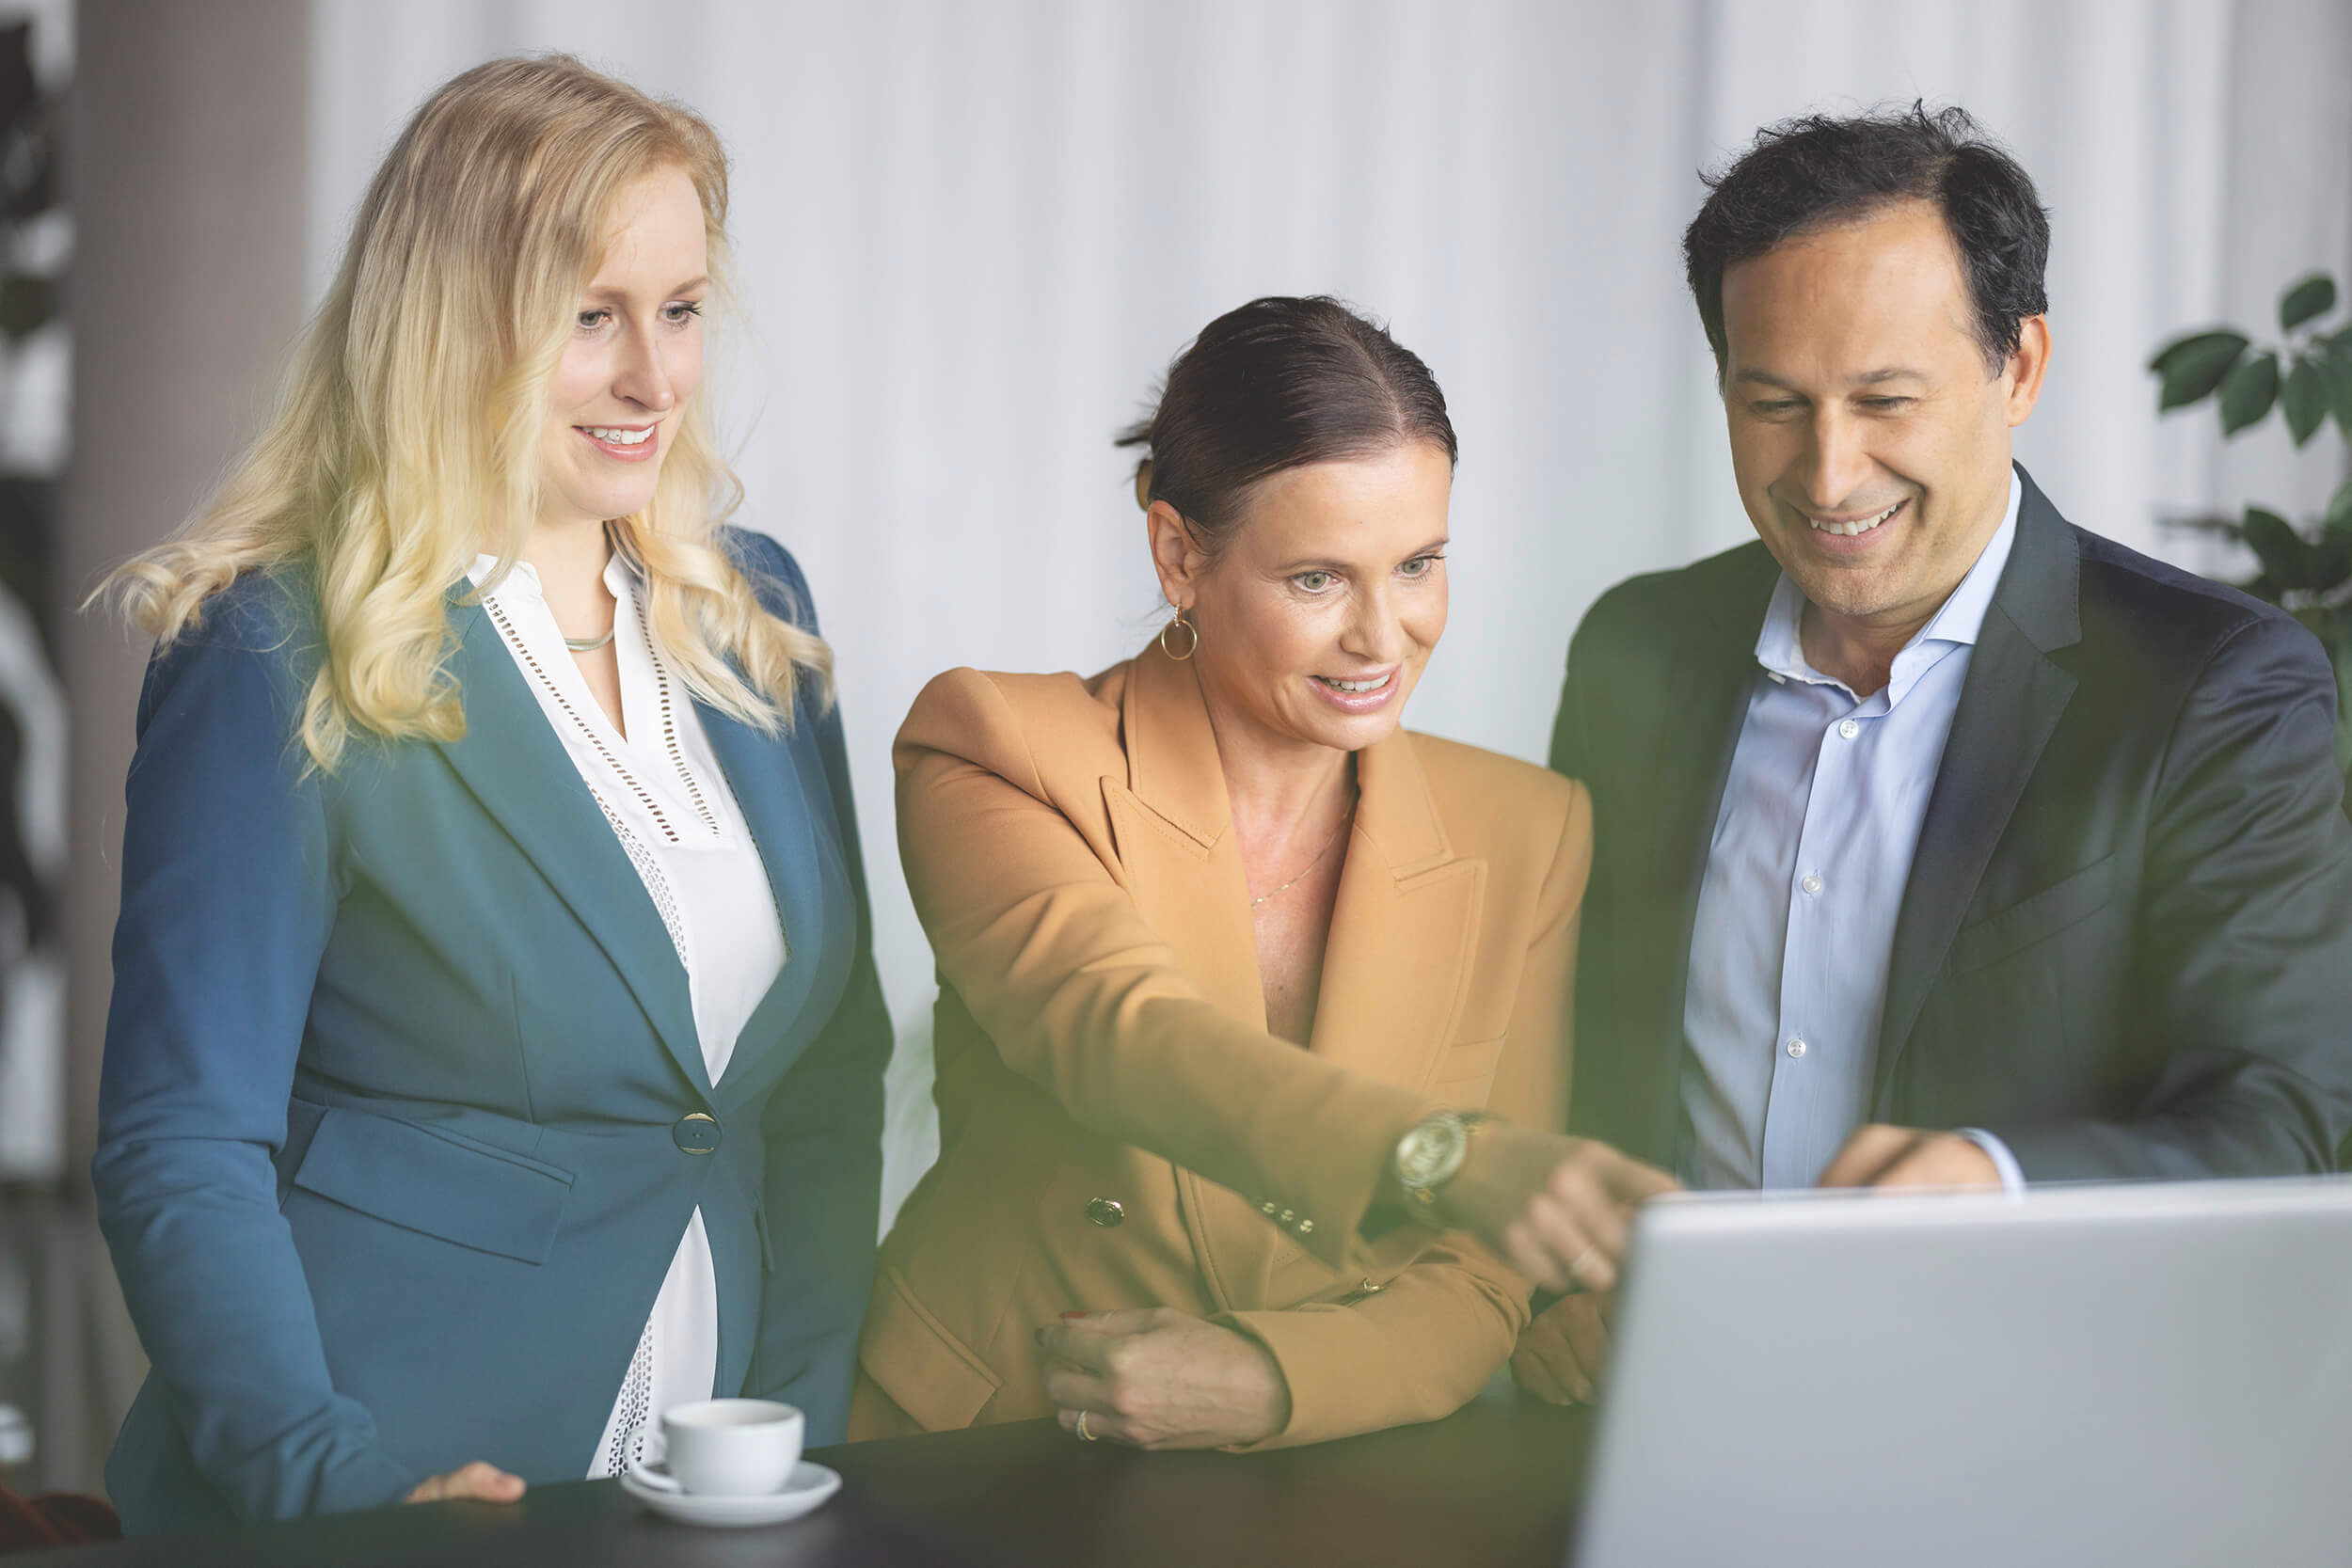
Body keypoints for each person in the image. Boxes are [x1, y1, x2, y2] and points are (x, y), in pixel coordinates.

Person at [88, 56, 890, 1530]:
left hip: (722, 1470)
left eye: (682, 309)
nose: (653, 376)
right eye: (592, 317)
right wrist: (332, 1479)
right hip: (390, 1465)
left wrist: (798, 1416)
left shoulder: (755, 615)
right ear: (456, 320)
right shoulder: (277, 643)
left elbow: (830, 1083)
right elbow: (183, 1140)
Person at [1516, 104, 2352, 1405]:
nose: (1829, 471)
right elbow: (1571, 1038)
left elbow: (2275, 1119)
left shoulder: (2218, 683)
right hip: (1650, 1410)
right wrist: (1554, 1284)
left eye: (1885, 399)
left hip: (2017, 1422)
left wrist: (1995, 1179)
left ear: (2019, 367)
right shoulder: (1640, 647)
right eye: (1773, 402)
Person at [852, 296, 1676, 1452]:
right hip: (990, 1443)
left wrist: (1274, 1377)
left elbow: (1479, 1274)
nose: (1384, 637)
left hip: (1328, 1472)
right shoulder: (996, 742)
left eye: (1419, 564)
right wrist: (1440, 1153)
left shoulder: (1529, 830)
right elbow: (1119, 1028)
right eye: (1316, 580)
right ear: (1179, 553)